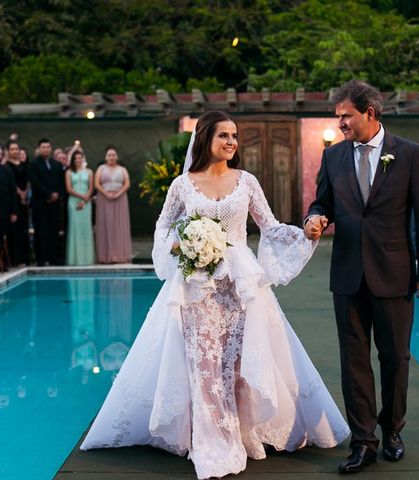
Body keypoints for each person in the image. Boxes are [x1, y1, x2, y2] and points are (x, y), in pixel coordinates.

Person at [80, 111, 350, 479]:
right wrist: (180, 246)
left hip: (241, 287)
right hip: (198, 286)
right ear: (206, 139)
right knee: (204, 363)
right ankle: (212, 438)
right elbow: (163, 225)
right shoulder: (183, 184)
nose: (231, 143)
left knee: (240, 360)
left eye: (235, 136)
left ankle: (242, 430)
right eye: (224, 135)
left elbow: (268, 227)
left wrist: (305, 234)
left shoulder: (247, 181)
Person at [305, 80, 419, 473]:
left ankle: (392, 430)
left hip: (395, 272)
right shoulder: (333, 158)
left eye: (346, 116)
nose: (341, 123)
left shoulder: (411, 155)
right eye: (338, 117)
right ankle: (363, 440)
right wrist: (314, 217)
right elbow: (322, 201)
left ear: (370, 113)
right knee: (353, 361)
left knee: (395, 357)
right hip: (347, 273)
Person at [94, 146, 132, 263]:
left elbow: (127, 184)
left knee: (119, 226)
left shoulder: (122, 169)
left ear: (117, 157)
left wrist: (117, 194)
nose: (111, 157)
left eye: (114, 155)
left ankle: (119, 255)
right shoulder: (101, 168)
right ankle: (105, 256)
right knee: (106, 225)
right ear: (106, 157)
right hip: (104, 200)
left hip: (120, 199)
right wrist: (106, 194)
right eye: (109, 155)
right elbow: (97, 183)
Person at [29, 138, 64, 266]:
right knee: (40, 231)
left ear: (51, 148)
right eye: (43, 147)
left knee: (53, 231)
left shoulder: (57, 164)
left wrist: (57, 194)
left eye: (48, 147)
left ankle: (53, 257)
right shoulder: (33, 164)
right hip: (40, 203)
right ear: (39, 148)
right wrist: (48, 194)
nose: (46, 149)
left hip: (54, 204)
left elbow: (61, 182)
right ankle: (41, 259)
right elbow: (35, 182)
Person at [65, 148, 94, 265]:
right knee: (75, 229)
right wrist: (82, 197)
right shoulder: (69, 172)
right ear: (73, 160)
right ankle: (75, 259)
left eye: (80, 158)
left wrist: (85, 198)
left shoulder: (89, 172)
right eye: (76, 158)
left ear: (83, 159)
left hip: (86, 203)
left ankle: (87, 259)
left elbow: (91, 187)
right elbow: (69, 188)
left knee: (86, 228)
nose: (78, 160)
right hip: (74, 202)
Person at [4, 140, 30, 265]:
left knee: (24, 228)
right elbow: (11, 183)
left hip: (25, 200)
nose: (15, 151)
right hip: (13, 201)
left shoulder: (25, 165)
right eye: (12, 149)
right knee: (14, 230)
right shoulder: (7, 166)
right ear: (8, 151)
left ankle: (25, 258)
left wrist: (26, 193)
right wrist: (20, 193)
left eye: (16, 148)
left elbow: (29, 180)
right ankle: (15, 258)